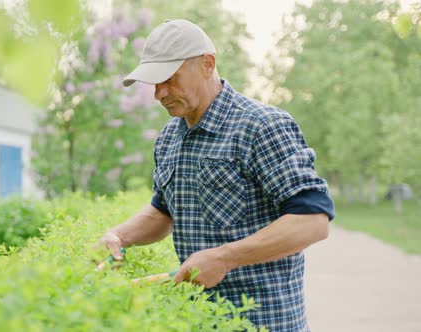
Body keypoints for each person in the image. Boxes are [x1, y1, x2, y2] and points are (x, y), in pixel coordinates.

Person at [99, 19, 335, 332]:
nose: (159, 93)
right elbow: (163, 211)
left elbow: (313, 220)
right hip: (197, 321)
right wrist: (120, 236)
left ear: (207, 64)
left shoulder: (261, 126)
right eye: (153, 83)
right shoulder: (170, 136)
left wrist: (225, 258)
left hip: (264, 323)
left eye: (169, 78)